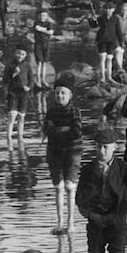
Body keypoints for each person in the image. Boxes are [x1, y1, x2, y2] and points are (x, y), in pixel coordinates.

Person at [42, 74, 84, 235]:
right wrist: (59, 130)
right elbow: (45, 130)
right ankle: (60, 223)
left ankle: (71, 223)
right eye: (57, 93)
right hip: (54, 152)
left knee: (70, 186)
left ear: (70, 95)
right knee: (58, 187)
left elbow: (76, 132)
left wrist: (57, 130)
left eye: (63, 93)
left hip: (73, 151)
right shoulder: (51, 111)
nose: (60, 96)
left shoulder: (75, 111)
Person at [2, 40, 37, 147]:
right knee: (12, 116)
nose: (20, 56)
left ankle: (20, 137)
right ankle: (9, 138)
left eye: (22, 54)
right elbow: (5, 81)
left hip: (24, 94)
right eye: (18, 53)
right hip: (12, 93)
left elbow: (31, 80)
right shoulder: (9, 65)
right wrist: (14, 74)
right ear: (15, 53)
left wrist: (28, 87)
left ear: (25, 55)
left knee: (21, 117)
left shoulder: (27, 66)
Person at [95, 0, 120, 84]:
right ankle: (102, 77)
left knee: (109, 58)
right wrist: (92, 19)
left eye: (110, 9)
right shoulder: (101, 17)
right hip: (102, 40)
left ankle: (109, 77)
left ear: (113, 10)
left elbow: (118, 31)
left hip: (111, 41)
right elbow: (94, 25)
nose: (108, 10)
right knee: (102, 58)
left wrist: (121, 42)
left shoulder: (116, 18)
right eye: (107, 9)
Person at [31, 5, 56, 69]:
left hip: (46, 43)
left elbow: (51, 32)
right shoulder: (36, 23)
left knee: (44, 62)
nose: (42, 17)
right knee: (39, 62)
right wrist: (46, 30)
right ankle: (39, 78)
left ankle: (43, 78)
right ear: (38, 16)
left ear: (47, 16)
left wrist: (42, 29)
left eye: (44, 15)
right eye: (41, 15)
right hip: (38, 44)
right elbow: (37, 28)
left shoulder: (49, 23)